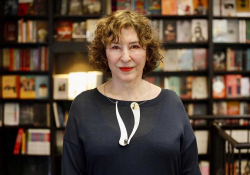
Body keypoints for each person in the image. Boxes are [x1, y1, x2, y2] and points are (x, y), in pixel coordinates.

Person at [61, 10, 201, 175]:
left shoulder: (172, 102)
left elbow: (190, 170)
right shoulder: (83, 105)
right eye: (115, 47)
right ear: (104, 54)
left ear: (148, 53)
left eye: (134, 46)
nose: (125, 57)